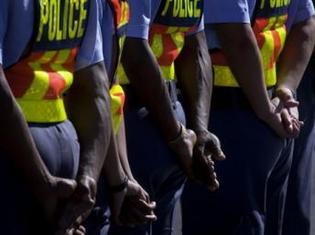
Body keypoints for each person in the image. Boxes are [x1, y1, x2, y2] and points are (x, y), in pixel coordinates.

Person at [181, 0, 315, 234]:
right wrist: (285, 91)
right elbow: (305, 24)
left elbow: (237, 39)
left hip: (232, 120)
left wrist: (270, 107)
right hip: (273, 114)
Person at [0, 0, 132, 234]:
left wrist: (44, 184)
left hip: (17, 156)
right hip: (66, 153)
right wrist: (88, 180)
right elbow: (95, 88)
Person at [108, 0, 225, 234]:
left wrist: (197, 131)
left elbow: (196, 46)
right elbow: (134, 53)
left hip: (164, 119)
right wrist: (180, 134)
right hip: (134, 121)